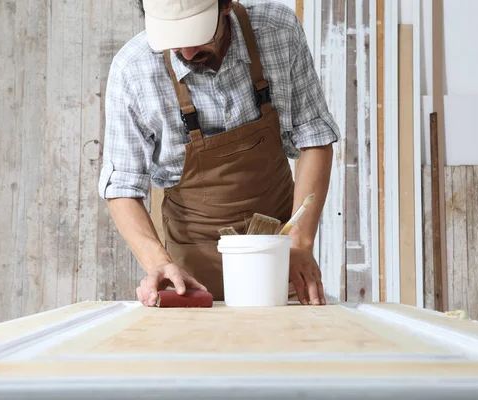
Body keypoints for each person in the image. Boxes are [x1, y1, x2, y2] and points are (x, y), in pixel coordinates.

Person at [98, 0, 340, 307]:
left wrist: (301, 243)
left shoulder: (277, 31)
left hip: (277, 255)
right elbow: (121, 187)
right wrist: (157, 262)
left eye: (195, 33)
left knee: (288, 345)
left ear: (225, 5)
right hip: (192, 268)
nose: (186, 53)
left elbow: (315, 136)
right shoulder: (133, 70)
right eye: (173, 40)